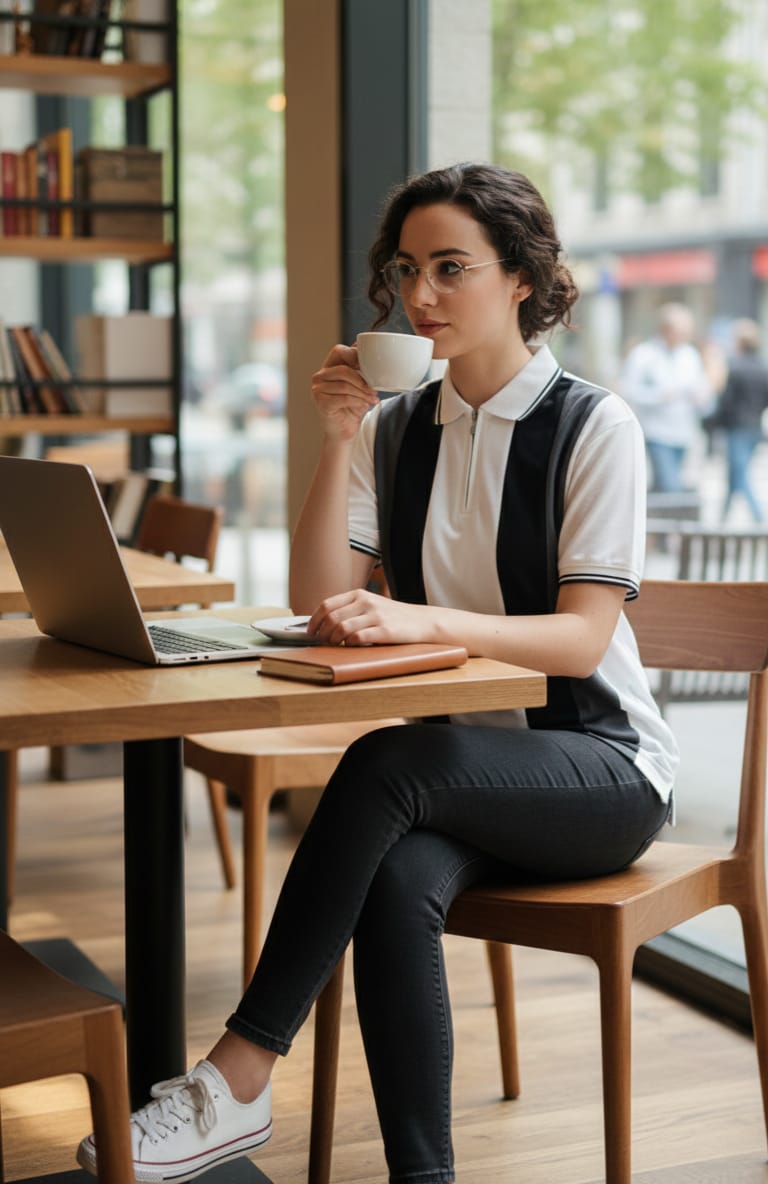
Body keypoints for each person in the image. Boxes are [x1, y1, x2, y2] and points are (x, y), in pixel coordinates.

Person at [77, 162, 679, 1184]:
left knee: (386, 762)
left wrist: (417, 613)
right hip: (464, 779)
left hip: (602, 769)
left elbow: (582, 641)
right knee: (396, 877)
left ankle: (238, 1076)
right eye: (406, 270)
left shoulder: (594, 426)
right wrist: (336, 438)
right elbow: (321, 604)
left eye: (451, 268)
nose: (420, 297)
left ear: (523, 279)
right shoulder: (399, 430)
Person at [620, 301, 712, 493]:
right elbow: (629, 391)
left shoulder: (690, 355)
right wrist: (659, 396)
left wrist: (701, 397)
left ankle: (656, 519)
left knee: (666, 486)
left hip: (685, 432)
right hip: (657, 432)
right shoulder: (643, 355)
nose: (685, 337)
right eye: (681, 332)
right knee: (672, 487)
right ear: (665, 329)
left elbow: (701, 387)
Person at [718, 318, 768, 523]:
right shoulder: (763, 367)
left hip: (737, 427)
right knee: (735, 472)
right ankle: (723, 517)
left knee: (739, 474)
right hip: (754, 427)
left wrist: (713, 421)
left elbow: (726, 402)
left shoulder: (736, 367)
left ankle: (760, 518)